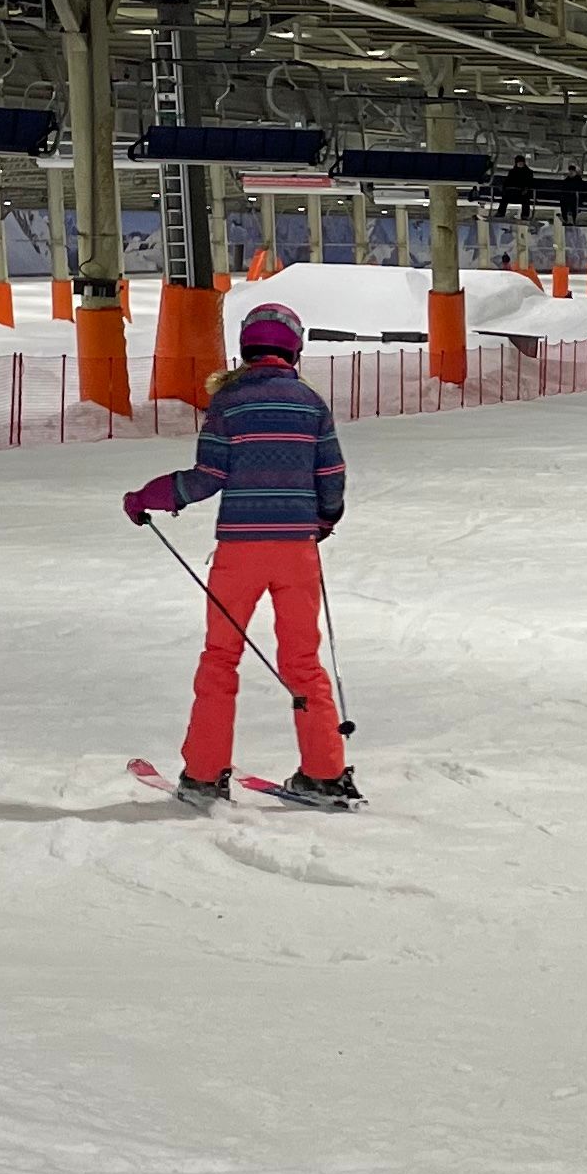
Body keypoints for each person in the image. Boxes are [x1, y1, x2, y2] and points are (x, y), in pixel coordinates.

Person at [125, 301, 358, 807]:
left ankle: (205, 774)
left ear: (247, 347)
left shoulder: (228, 405)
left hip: (240, 552)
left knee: (220, 659)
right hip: (297, 552)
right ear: (294, 347)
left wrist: (148, 497)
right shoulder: (311, 403)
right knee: (302, 660)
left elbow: (206, 479)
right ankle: (324, 772)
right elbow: (331, 476)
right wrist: (324, 519)